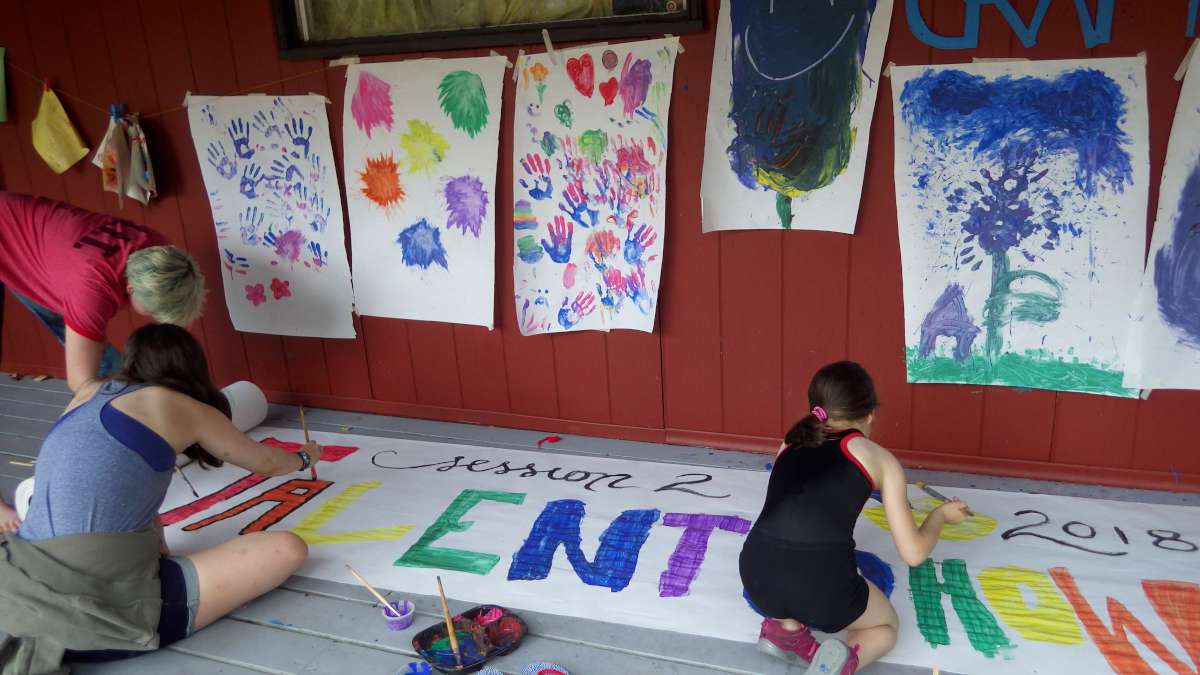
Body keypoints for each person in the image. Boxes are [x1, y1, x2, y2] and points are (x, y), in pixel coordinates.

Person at [0, 324, 322, 670]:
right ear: (192, 368)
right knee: (285, 550)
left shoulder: (89, 392)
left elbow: (113, 479)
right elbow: (268, 462)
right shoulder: (178, 405)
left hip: (17, 576)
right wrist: (305, 457)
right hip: (99, 612)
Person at [739, 361, 972, 674]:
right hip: (820, 586)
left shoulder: (792, 439)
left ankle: (786, 631)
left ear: (816, 408)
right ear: (871, 413)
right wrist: (940, 515)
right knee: (885, 627)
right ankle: (840, 664)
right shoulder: (879, 458)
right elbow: (914, 554)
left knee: (791, 575)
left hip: (756, 574)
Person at [0, 191, 206, 392]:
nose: (155, 317)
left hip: (28, 237)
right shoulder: (91, 293)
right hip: (14, 237)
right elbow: (81, 383)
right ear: (130, 288)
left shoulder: (159, 249)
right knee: (100, 366)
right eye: (154, 311)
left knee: (95, 350)